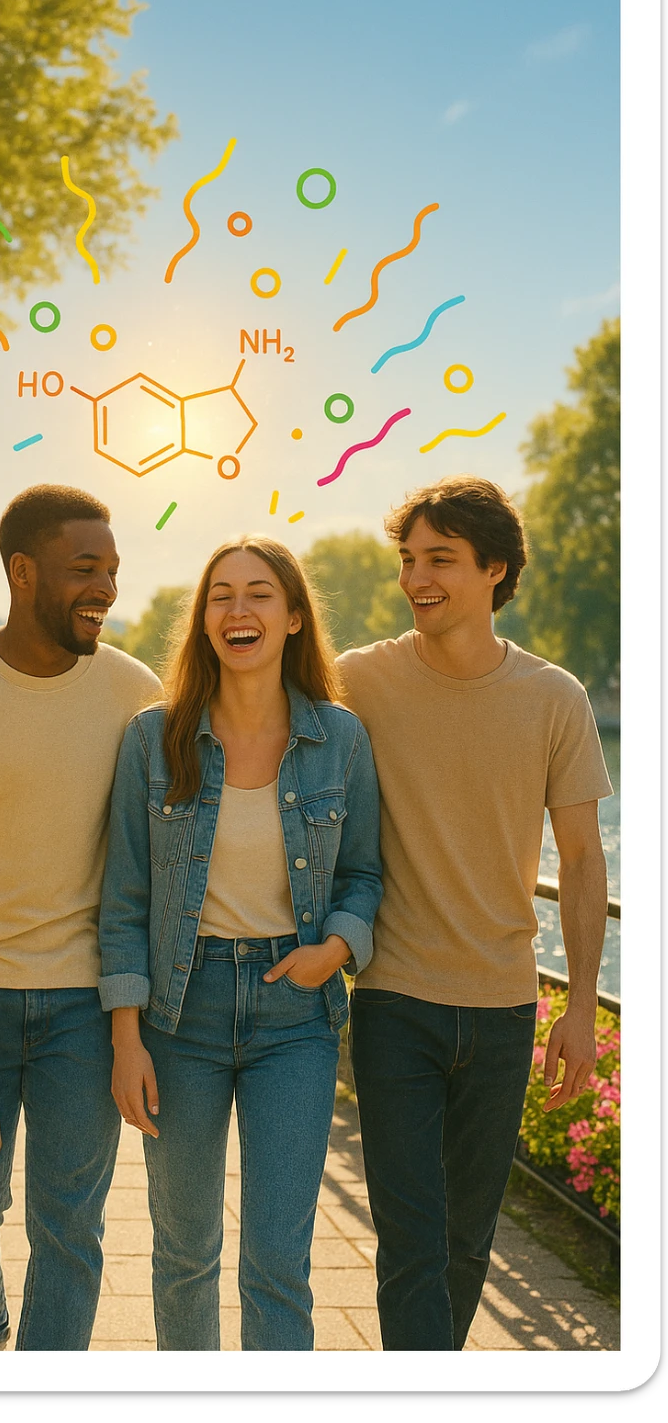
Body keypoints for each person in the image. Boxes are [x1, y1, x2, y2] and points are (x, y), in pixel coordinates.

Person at [339, 475, 613, 1352]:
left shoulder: (555, 697)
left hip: (503, 1008)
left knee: (466, 1244)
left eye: (441, 560)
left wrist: (579, 1009)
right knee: (413, 1243)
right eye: (409, 560)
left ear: (495, 569)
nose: (417, 577)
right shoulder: (360, 681)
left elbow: (579, 860)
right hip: (393, 1002)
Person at [98, 535, 383, 1350]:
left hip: (295, 1015)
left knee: (277, 1259)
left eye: (259, 593)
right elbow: (123, 897)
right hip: (179, 1014)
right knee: (184, 1251)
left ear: (294, 617)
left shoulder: (342, 739)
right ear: (203, 620)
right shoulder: (154, 739)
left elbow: (364, 873)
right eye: (220, 594)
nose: (238, 609)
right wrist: (127, 1036)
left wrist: (338, 948)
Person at [0, 484, 164, 1351]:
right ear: (23, 573)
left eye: (110, 569)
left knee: (70, 1228)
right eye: (83, 569)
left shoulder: (134, 691)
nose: (104, 587)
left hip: (81, 1005)